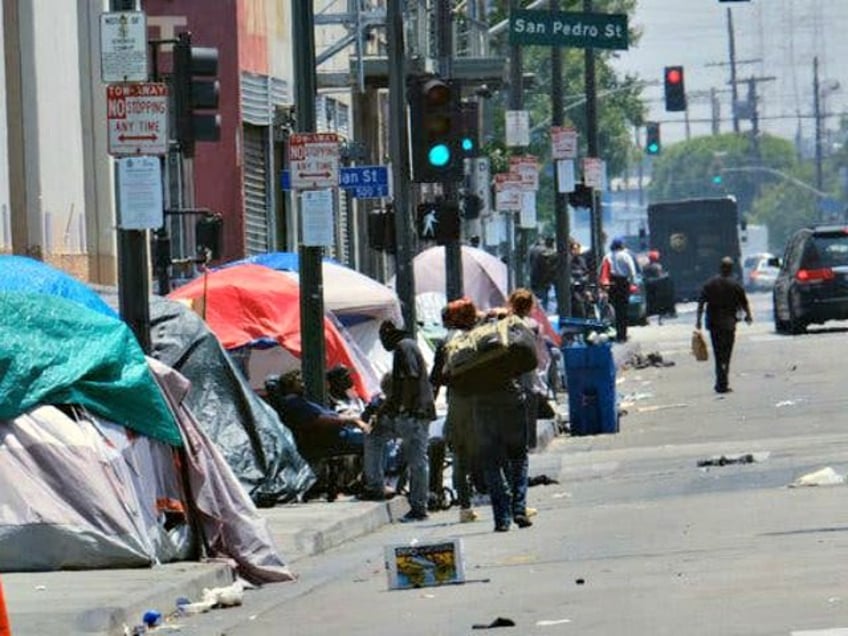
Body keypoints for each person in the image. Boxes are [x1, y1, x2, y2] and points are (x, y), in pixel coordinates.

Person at [473, 291, 539, 533]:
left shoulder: (475, 342)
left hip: (483, 405)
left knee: (492, 463)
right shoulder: (514, 336)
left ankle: (501, 519)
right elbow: (530, 361)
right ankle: (519, 509)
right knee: (518, 458)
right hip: (511, 400)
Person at [378, 320, 437, 522]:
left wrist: (403, 407)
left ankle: (419, 507)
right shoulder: (407, 346)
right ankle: (416, 502)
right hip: (416, 412)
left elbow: (411, 378)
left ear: (389, 333)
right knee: (415, 459)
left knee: (418, 462)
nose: (382, 341)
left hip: (414, 413)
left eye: (382, 336)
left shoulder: (404, 347)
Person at [431, 298, 483, 524]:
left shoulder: (447, 342)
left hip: (459, 402)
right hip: (484, 400)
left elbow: (436, 377)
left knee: (460, 454)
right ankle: (506, 502)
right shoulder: (482, 337)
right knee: (489, 451)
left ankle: (465, 506)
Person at [696, 256, 753, 394]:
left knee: (718, 353)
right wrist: (748, 315)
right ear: (731, 269)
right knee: (726, 354)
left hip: (714, 324)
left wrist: (698, 320)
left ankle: (720, 382)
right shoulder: (735, 285)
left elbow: (701, 302)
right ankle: (723, 381)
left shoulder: (710, 284)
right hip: (729, 325)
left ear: (720, 268)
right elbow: (744, 302)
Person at [601, 237, 638, 343]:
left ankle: (615, 333)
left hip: (612, 284)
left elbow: (603, 271)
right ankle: (623, 335)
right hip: (623, 284)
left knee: (614, 310)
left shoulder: (607, 256)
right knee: (623, 310)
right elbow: (632, 272)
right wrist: (632, 283)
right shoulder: (626, 256)